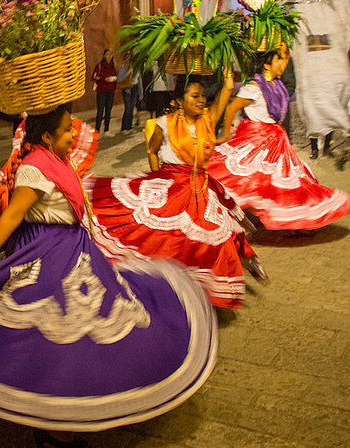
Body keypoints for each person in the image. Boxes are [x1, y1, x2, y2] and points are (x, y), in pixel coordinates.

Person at [0, 105, 217, 448]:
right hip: (46, 252)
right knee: (48, 337)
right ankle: (51, 421)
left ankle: (66, 410)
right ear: (47, 136)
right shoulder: (34, 169)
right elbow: (13, 215)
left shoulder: (55, 158)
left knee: (91, 331)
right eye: (68, 130)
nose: (74, 134)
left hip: (75, 249)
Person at [87, 73, 267, 308]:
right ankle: (167, 283)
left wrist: (228, 79)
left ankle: (211, 284)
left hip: (201, 186)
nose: (201, 100)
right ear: (181, 101)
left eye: (203, 96)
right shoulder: (164, 124)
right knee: (164, 236)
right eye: (195, 96)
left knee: (218, 232)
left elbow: (225, 93)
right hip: (172, 184)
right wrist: (155, 180)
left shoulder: (208, 119)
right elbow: (152, 151)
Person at [208, 50, 350, 231]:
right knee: (252, 179)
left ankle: (292, 222)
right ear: (267, 65)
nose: (282, 64)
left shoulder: (277, 85)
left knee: (286, 182)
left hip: (276, 140)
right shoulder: (254, 87)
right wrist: (225, 134)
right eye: (278, 60)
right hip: (257, 139)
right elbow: (231, 108)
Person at [284, 0, 350, 164]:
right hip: (307, 60)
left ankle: (329, 145)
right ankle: (314, 147)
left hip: (332, 59)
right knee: (310, 100)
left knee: (332, 97)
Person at [91, 48, 118, 133]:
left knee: (108, 111)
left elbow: (116, 77)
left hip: (111, 91)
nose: (109, 56)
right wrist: (104, 79)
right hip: (102, 91)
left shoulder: (113, 65)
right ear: (104, 55)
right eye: (107, 54)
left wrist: (114, 83)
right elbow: (93, 77)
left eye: (111, 54)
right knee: (100, 111)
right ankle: (97, 130)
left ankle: (106, 130)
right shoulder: (99, 65)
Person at [117, 61, 140, 131]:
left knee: (132, 108)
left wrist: (140, 92)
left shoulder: (136, 68)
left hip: (135, 88)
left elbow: (139, 79)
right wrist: (128, 72)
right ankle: (124, 127)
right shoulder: (123, 68)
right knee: (128, 108)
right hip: (127, 89)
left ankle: (129, 126)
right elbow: (119, 79)